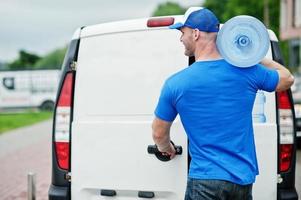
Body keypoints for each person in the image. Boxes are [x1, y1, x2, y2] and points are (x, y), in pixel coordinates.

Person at [151, 7, 294, 200]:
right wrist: (254, 57)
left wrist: (166, 149)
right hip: (242, 181)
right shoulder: (247, 72)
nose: (181, 39)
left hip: (205, 181)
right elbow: (287, 78)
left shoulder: (176, 83)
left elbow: (159, 133)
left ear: (195, 33)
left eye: (182, 33)